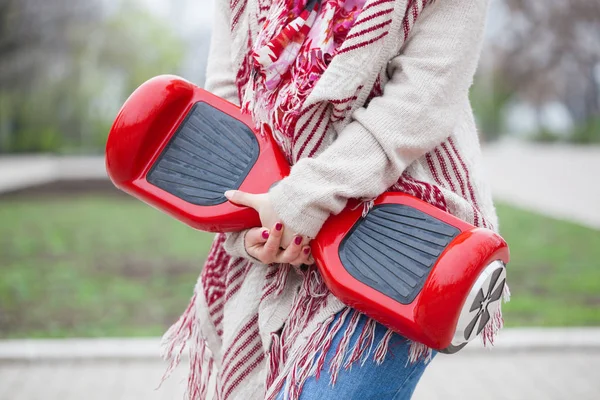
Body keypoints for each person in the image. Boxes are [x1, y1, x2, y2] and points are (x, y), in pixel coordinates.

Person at [161, 0, 502, 399]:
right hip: (276, 246)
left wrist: (303, 201)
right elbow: (229, 104)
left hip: (395, 242)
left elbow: (418, 105)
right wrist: (255, 225)